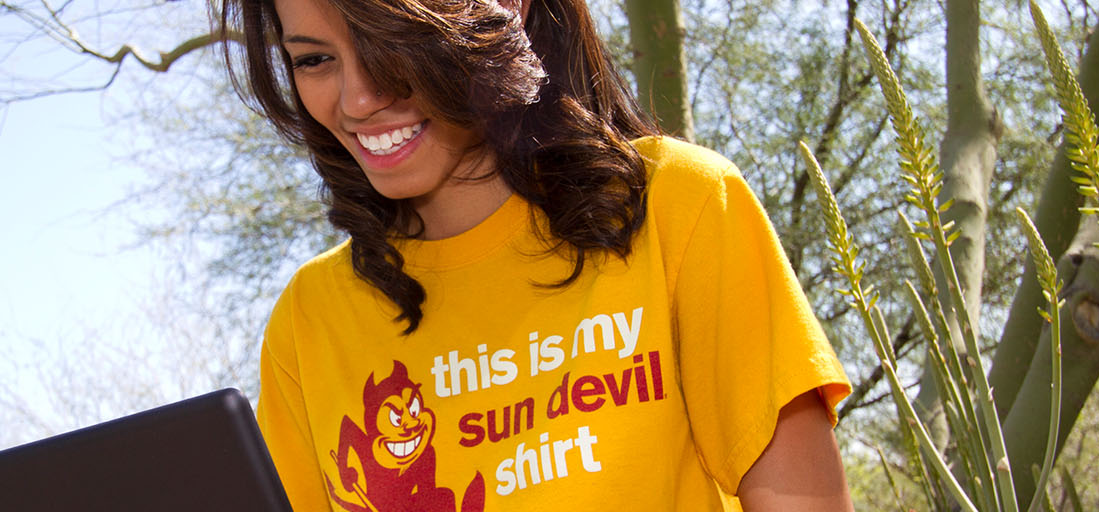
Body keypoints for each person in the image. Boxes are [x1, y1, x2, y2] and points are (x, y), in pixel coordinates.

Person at [219, 0, 854, 509]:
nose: (357, 99)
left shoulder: (680, 206)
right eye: (314, 60)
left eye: (391, 44)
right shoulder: (308, 320)